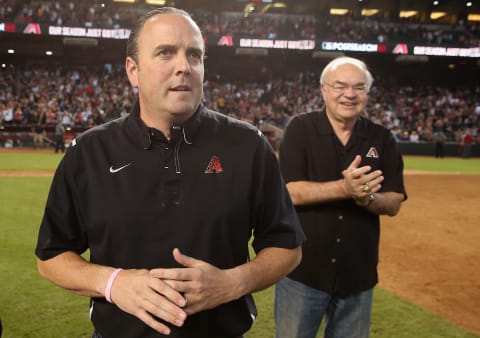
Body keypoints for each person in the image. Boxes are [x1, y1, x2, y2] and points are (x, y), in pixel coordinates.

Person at [35, 7, 305, 338]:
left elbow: (287, 246)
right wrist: (113, 283)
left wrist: (233, 282)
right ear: (133, 71)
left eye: (194, 55)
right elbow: (51, 256)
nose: (184, 67)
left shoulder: (248, 145)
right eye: (165, 53)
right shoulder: (88, 152)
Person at [274, 56, 407, 338]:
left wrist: (368, 200)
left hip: (358, 276)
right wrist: (345, 189)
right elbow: (288, 193)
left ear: (367, 94)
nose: (349, 94)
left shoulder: (382, 138)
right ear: (324, 89)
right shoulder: (300, 129)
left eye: (359, 87)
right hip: (303, 272)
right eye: (341, 86)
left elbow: (394, 201)